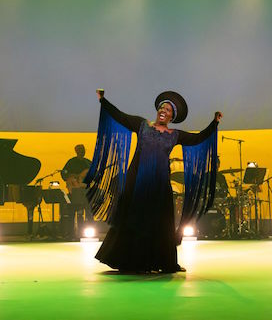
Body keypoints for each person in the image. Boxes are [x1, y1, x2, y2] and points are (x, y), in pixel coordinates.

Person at [85, 89, 222, 273]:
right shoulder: (142, 125)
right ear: (158, 111)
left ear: (172, 116)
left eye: (168, 109)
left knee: (161, 223)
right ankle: (131, 261)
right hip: (138, 184)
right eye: (162, 107)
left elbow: (198, 138)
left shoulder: (175, 134)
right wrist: (103, 100)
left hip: (159, 185)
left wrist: (214, 123)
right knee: (133, 220)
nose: (164, 110)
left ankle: (165, 262)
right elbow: (120, 116)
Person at [59, 144, 92, 239]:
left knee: (88, 211)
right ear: (76, 151)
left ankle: (86, 232)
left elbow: (94, 174)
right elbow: (64, 173)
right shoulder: (71, 162)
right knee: (72, 212)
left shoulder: (88, 163)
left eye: (83, 150)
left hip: (85, 191)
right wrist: (71, 177)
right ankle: (71, 233)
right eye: (80, 150)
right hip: (73, 191)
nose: (82, 151)